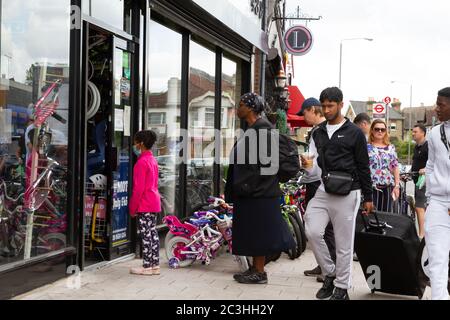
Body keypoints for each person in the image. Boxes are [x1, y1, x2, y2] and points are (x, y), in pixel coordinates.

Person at [301, 87, 373, 300]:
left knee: (344, 244)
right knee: (312, 230)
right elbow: (314, 169)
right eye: (323, 106)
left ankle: (342, 288)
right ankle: (330, 273)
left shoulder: (355, 132)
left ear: (341, 104)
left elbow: (363, 166)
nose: (326, 109)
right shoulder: (318, 132)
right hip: (324, 189)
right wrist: (306, 165)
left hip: (349, 191)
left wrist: (368, 197)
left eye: (330, 105)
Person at [224, 92, 295, 284]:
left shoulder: (262, 130)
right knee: (255, 233)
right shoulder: (255, 129)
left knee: (260, 234)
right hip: (253, 192)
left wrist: (252, 184)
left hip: (259, 193)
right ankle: (255, 268)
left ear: (250, 108)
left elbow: (267, 165)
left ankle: (260, 272)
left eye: (240, 105)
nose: (237, 109)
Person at [297, 97, 336, 281]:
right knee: (319, 226)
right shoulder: (319, 130)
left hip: (318, 182)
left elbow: (313, 160)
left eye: (304, 112)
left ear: (313, 110)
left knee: (322, 226)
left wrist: (305, 165)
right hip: (318, 181)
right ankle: (323, 264)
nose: (303, 117)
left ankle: (330, 267)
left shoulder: (321, 131)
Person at [424, 87, 450, 300]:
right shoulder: (434, 133)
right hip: (439, 204)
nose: (436, 108)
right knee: (436, 260)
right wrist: (432, 197)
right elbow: (430, 165)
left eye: (441, 104)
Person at [129, 130, 162, 276]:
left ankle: (147, 266)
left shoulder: (141, 162)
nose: (134, 144)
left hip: (145, 203)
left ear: (140, 143)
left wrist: (132, 208)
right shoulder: (152, 160)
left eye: (135, 141)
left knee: (146, 235)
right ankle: (154, 265)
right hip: (154, 202)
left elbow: (138, 189)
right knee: (153, 233)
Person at [367, 119, 400, 212]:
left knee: (386, 216)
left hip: (387, 187)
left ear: (386, 132)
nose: (380, 131)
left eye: (383, 129)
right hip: (371, 187)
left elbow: (395, 167)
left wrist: (397, 186)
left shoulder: (390, 148)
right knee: (371, 216)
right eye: (377, 129)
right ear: (372, 131)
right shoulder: (366, 147)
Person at [411, 123, 428, 238]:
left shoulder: (429, 146)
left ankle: (421, 235)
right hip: (417, 180)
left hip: (424, 181)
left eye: (415, 132)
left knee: (419, 207)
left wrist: (426, 169)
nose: (413, 133)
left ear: (423, 133)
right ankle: (425, 233)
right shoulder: (417, 146)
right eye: (412, 131)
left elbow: (435, 161)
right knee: (423, 208)